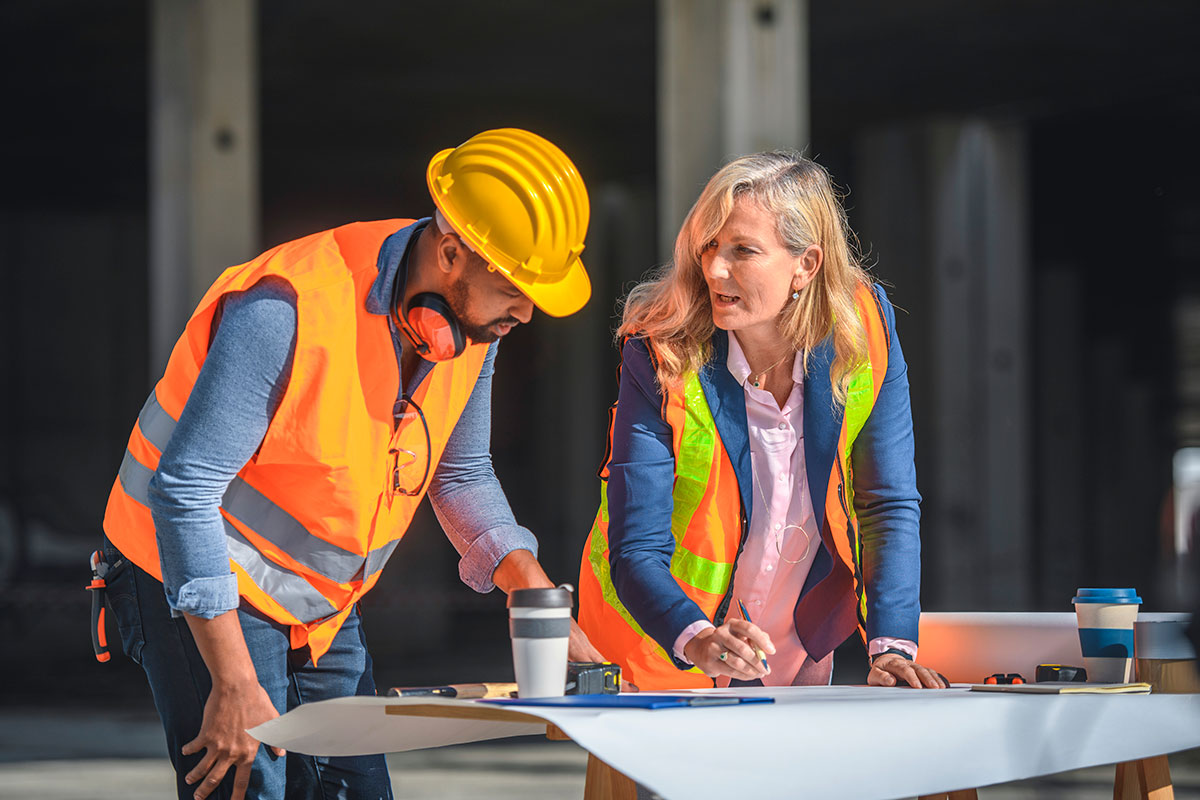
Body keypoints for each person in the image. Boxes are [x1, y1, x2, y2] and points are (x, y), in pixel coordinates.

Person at [98, 128, 604, 800]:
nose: (528, 309)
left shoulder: (474, 330)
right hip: (193, 581)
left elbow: (462, 474)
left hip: (318, 608)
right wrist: (233, 680)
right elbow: (184, 491)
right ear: (451, 251)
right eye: (516, 284)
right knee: (248, 782)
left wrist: (535, 594)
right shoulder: (287, 307)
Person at [578, 150, 946, 691]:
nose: (714, 269)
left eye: (743, 251)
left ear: (807, 265)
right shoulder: (658, 353)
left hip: (799, 641)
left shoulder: (866, 328)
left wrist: (891, 646)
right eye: (709, 246)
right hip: (664, 644)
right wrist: (697, 637)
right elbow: (636, 547)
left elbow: (886, 501)